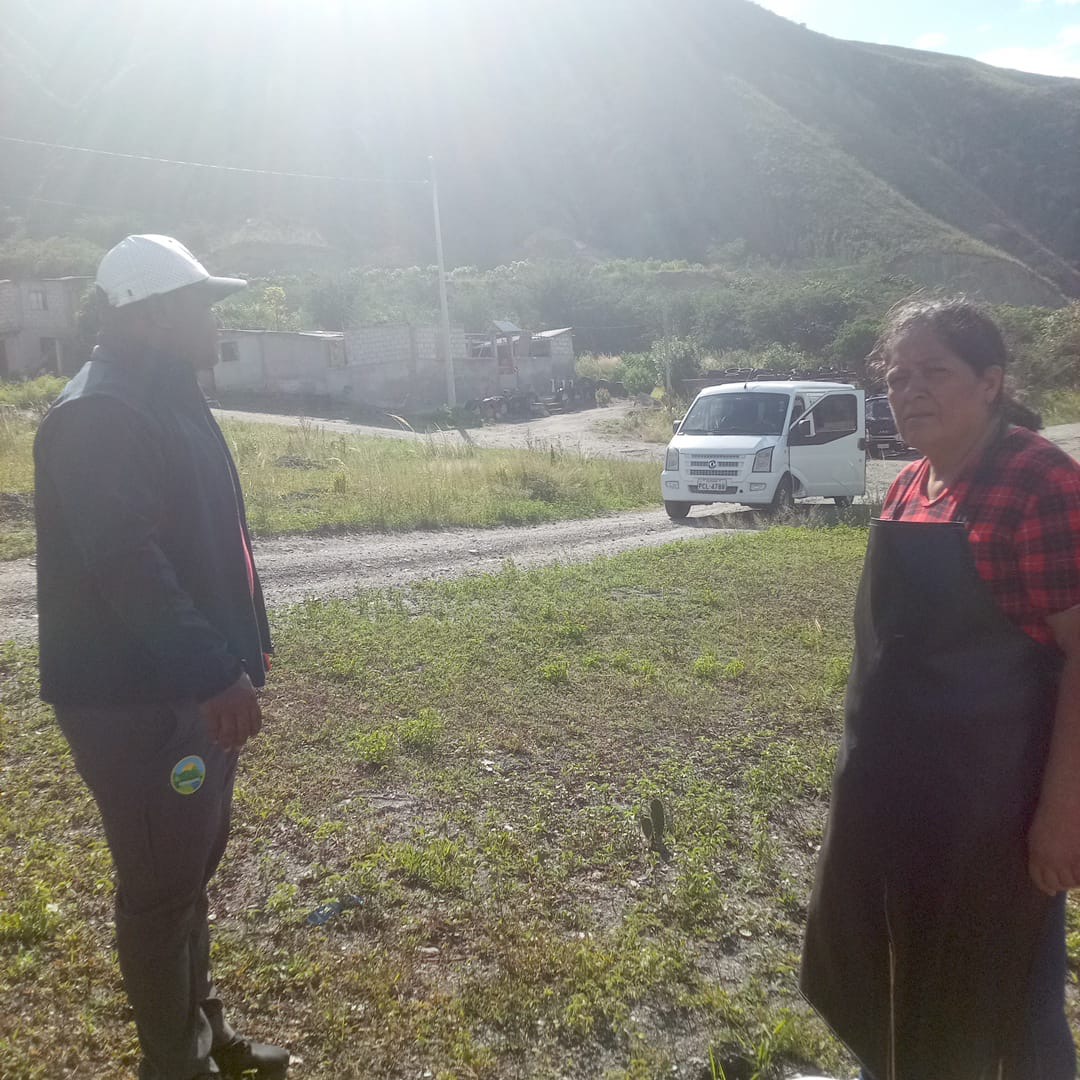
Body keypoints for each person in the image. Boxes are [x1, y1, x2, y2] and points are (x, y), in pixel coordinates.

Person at [800, 298, 1080, 1080]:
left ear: (991, 382)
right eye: (897, 377)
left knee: (1008, 1007)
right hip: (896, 803)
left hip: (994, 816)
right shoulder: (909, 486)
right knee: (896, 979)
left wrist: (1063, 814)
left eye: (934, 372)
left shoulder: (1040, 481)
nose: (910, 391)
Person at [34, 235, 288, 1080]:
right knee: (159, 885)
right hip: (138, 701)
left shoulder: (165, 396)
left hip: (186, 690)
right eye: (200, 305)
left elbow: (207, 542)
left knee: (186, 872)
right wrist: (212, 672)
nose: (215, 321)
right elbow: (128, 567)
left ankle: (202, 1034)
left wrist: (235, 659)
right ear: (148, 315)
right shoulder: (100, 413)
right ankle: (174, 1065)